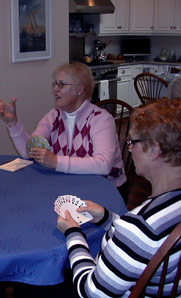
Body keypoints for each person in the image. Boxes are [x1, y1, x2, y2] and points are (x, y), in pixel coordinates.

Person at [57, 98, 181, 297]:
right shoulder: (168, 206)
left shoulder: (139, 228)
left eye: (132, 142)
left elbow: (92, 292)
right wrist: (107, 218)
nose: (129, 150)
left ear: (155, 149)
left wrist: (73, 233)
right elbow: (145, 242)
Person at [0, 62, 127, 201]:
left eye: (61, 84)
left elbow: (103, 165)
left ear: (79, 89)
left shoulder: (100, 119)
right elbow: (29, 151)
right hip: (70, 186)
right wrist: (13, 121)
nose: (55, 89)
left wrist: (56, 162)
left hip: (106, 191)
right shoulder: (53, 116)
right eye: (54, 84)